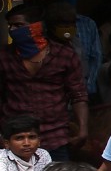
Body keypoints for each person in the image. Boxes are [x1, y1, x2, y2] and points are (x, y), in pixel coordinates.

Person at [0, 12, 87, 160]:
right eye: (10, 26)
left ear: (37, 27)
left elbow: (78, 94)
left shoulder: (64, 55)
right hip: (15, 135)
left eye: (19, 25)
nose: (12, 30)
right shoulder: (4, 56)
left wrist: (83, 130)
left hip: (56, 135)